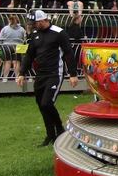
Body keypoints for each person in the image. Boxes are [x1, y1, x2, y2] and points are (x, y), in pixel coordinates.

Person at [17, 10, 79, 148]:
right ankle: (50, 134)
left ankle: (60, 129)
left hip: (54, 73)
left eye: (34, 23)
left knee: (46, 103)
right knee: (41, 105)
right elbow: (30, 54)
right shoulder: (35, 34)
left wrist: (73, 74)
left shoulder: (59, 33)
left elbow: (69, 53)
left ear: (42, 21)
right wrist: (22, 73)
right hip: (40, 74)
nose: (32, 26)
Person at [0, 14, 25, 82]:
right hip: (18, 46)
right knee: (16, 62)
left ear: (9, 20)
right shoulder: (22, 29)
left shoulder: (5, 29)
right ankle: (17, 77)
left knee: (7, 62)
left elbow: (0, 39)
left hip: (7, 47)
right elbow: (24, 38)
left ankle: (5, 78)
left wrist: (0, 46)